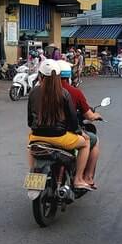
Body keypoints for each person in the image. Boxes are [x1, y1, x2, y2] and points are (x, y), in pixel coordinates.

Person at [27, 59, 92, 190]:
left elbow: (30, 121)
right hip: (60, 138)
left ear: (40, 76)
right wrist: (80, 133)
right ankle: (79, 179)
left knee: (30, 146)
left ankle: (32, 173)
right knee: (86, 142)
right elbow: (73, 121)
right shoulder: (64, 93)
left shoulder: (33, 92)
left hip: (37, 137)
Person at [57, 60, 102, 188]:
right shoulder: (73, 93)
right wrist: (95, 116)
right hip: (64, 133)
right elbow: (86, 116)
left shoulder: (42, 91)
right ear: (69, 76)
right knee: (91, 140)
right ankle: (83, 177)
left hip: (39, 133)